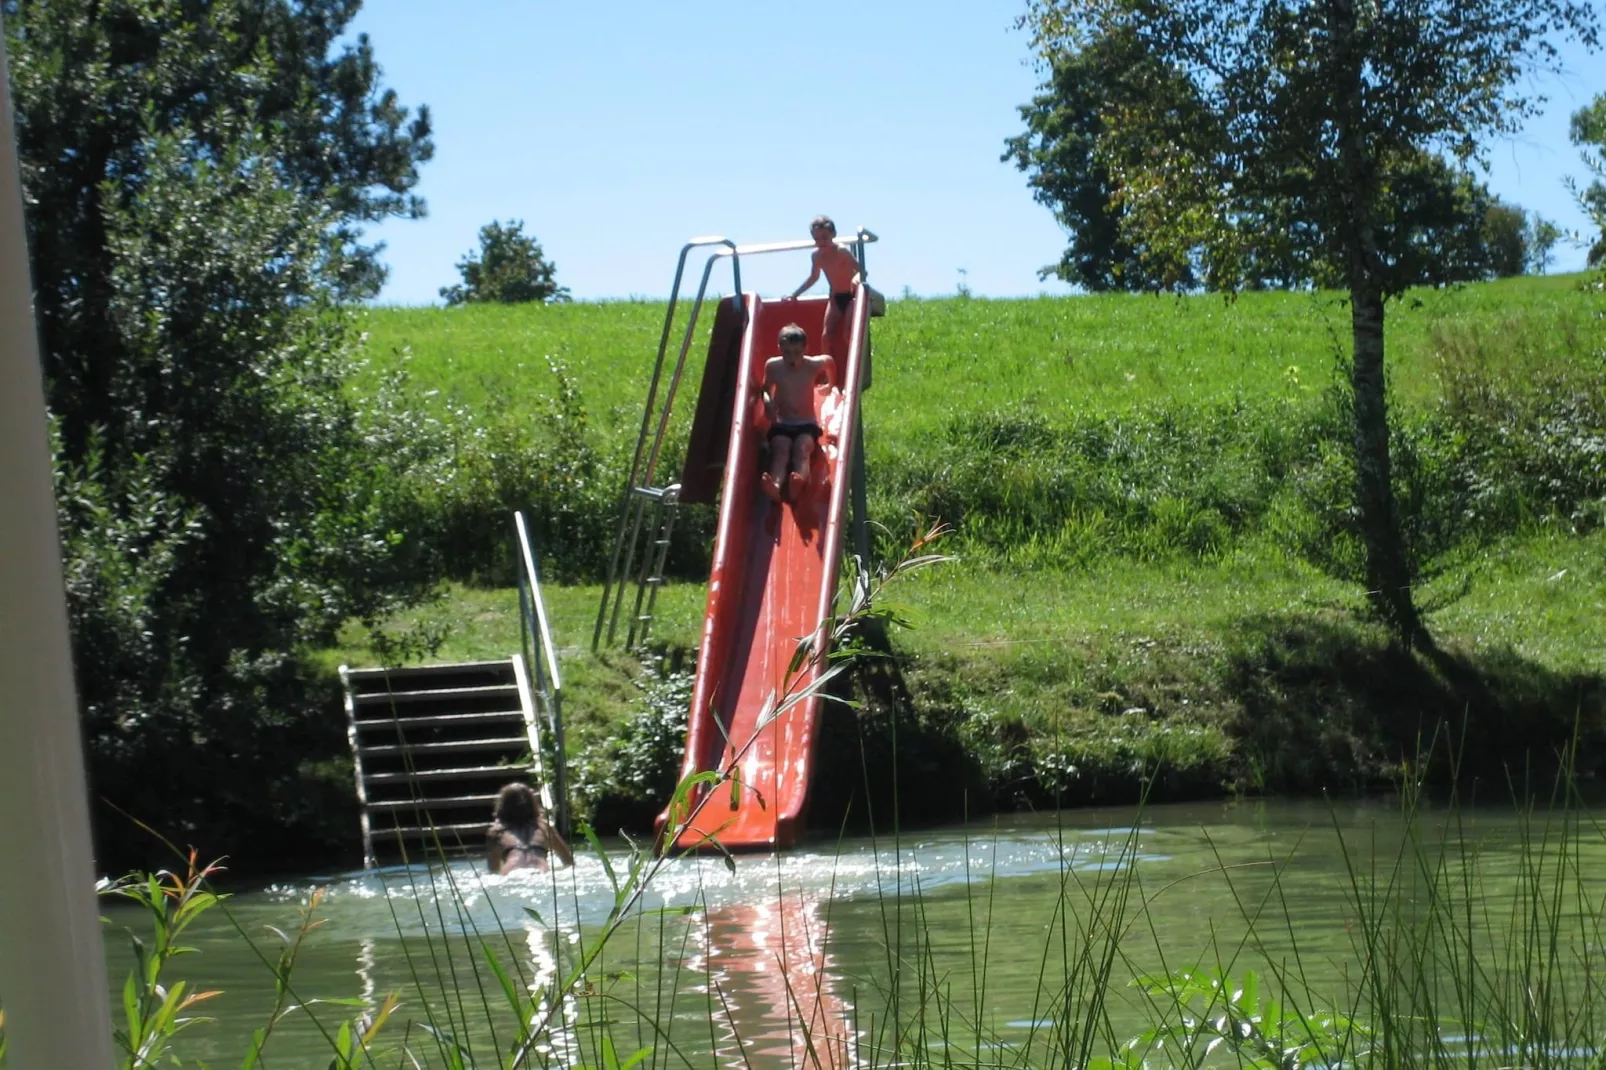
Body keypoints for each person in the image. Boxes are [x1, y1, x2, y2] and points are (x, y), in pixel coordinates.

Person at [761, 323, 833, 503]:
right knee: (781, 450)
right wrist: (768, 402)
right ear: (779, 349)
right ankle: (776, 485)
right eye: (786, 352)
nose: (792, 358)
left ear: (805, 349)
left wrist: (831, 384)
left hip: (806, 423)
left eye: (797, 352)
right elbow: (765, 389)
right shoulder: (773, 366)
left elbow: (829, 362)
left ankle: (799, 480)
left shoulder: (811, 365)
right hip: (782, 422)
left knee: (802, 448)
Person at [787, 215, 862, 347]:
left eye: (824, 238)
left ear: (833, 234)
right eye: (817, 239)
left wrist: (856, 278)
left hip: (852, 297)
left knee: (848, 333)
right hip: (835, 298)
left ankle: (853, 363)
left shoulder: (842, 251)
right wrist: (795, 294)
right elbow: (814, 278)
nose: (821, 242)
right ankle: (828, 366)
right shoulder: (817, 256)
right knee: (826, 336)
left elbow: (861, 270)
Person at [485, 782, 574, 874]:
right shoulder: (544, 827)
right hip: (540, 870)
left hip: (512, 871)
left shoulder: (496, 832)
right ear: (533, 804)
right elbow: (569, 862)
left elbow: (493, 870)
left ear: (501, 807)